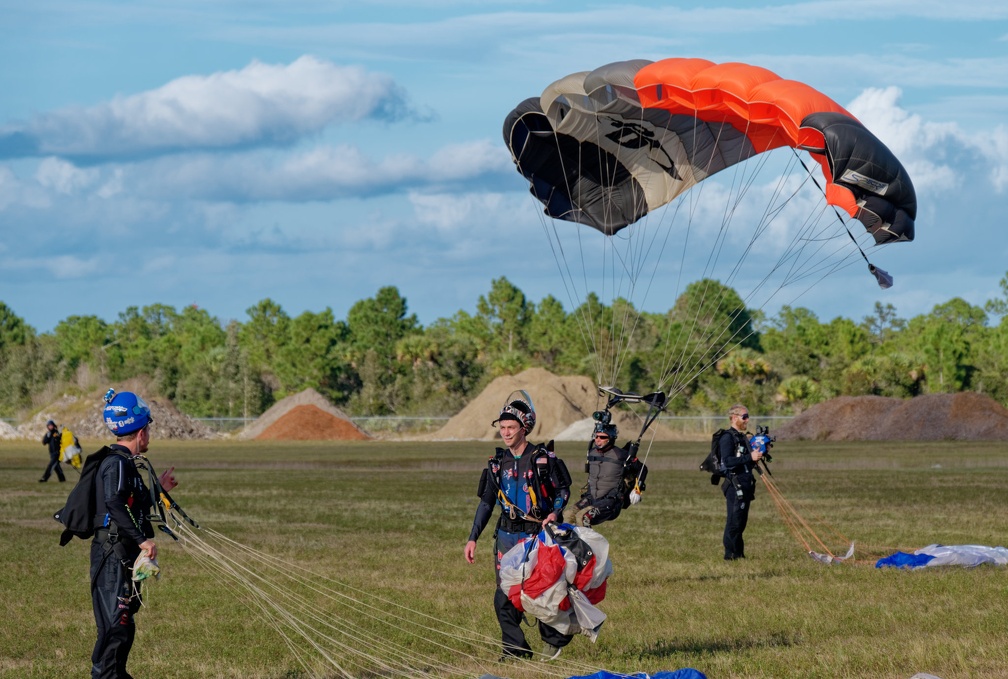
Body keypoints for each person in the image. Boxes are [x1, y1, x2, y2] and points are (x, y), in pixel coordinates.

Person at [464, 392, 574, 662]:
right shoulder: (496, 463)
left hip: (535, 534)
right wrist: (472, 537)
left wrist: (556, 512)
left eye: (511, 427)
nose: (505, 432)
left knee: (542, 591)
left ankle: (554, 641)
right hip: (505, 537)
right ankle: (515, 650)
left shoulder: (543, 459)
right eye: (502, 427)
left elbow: (563, 489)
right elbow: (487, 503)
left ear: (524, 428)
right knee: (504, 597)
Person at [90, 388, 175, 679]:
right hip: (112, 557)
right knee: (116, 626)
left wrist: (158, 488)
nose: (149, 434)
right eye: (148, 427)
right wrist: (143, 540)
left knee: (124, 626)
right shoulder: (116, 463)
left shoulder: (126, 464)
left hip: (121, 556)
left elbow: (130, 508)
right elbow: (114, 503)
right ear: (140, 432)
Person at [717, 403, 763, 560]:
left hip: (745, 484)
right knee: (734, 521)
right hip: (735, 484)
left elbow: (743, 460)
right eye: (744, 417)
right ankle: (730, 556)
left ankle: (739, 554)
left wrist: (756, 456)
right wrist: (750, 457)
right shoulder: (727, 438)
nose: (747, 420)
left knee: (741, 522)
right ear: (734, 417)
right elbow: (728, 461)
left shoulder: (742, 437)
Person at [573, 421, 637, 528]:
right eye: (596, 436)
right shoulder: (592, 452)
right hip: (591, 498)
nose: (598, 440)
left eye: (602, 437)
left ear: (610, 438)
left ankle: (587, 544)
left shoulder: (621, 454)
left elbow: (642, 469)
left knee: (583, 517)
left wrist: (637, 490)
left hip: (611, 501)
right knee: (568, 516)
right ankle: (570, 543)